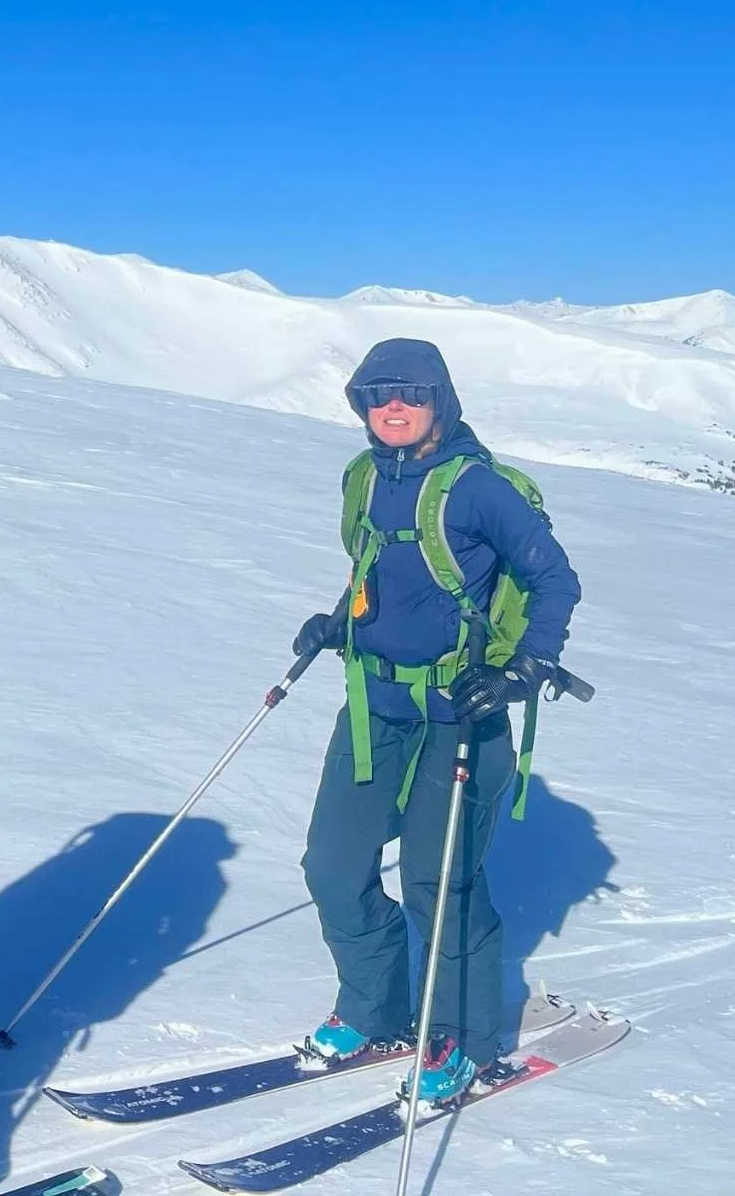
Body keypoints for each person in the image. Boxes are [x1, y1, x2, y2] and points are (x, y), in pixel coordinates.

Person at [291, 336, 582, 1104]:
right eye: (376, 394)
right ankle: (372, 1010)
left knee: (438, 881)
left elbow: (554, 579)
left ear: (440, 403)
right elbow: (380, 575)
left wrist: (524, 665)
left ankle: (464, 1043)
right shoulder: (363, 478)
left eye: (410, 394)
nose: (393, 407)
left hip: (462, 711)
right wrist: (339, 623)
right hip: (374, 706)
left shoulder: (478, 487)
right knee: (332, 866)